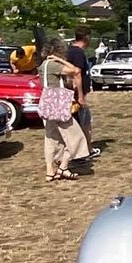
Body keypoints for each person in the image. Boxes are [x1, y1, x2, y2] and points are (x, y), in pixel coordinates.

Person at [41, 38, 89, 182]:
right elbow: (75, 71)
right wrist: (59, 60)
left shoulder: (43, 64)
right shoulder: (54, 64)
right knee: (76, 137)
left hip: (47, 104)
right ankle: (63, 166)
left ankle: (50, 170)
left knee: (52, 138)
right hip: (59, 105)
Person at [66, 26, 100, 160]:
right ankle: (85, 151)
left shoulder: (69, 51)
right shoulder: (78, 53)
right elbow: (77, 75)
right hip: (76, 96)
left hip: (73, 94)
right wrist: (80, 96)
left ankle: (83, 149)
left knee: (80, 122)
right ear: (86, 37)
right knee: (84, 122)